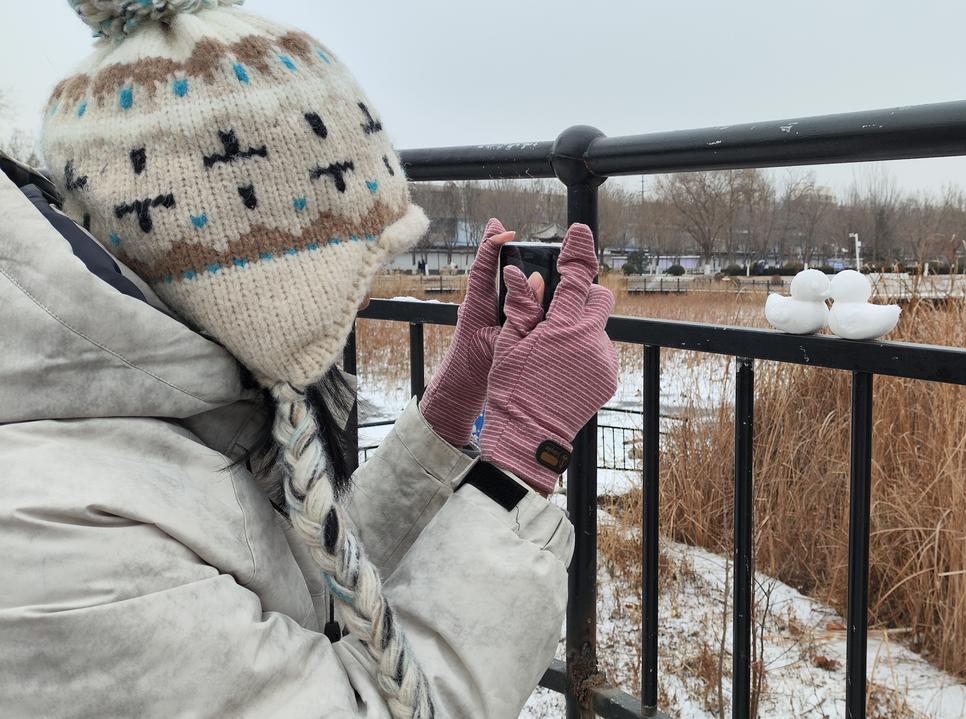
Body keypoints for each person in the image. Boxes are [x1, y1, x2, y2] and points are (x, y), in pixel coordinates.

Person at [0, 2, 618, 718]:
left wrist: (453, 407)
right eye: (347, 271)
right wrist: (520, 455)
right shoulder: (65, 540)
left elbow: (305, 596)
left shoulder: (138, 418)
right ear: (254, 286)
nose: (356, 306)